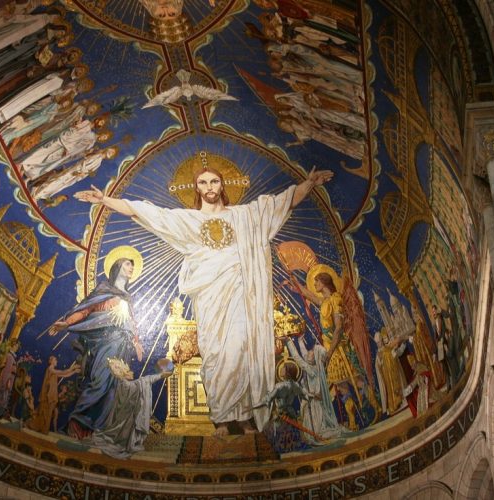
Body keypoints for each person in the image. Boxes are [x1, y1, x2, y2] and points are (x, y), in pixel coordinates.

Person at [73, 161, 332, 435]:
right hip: (210, 299)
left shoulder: (245, 215)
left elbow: (282, 203)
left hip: (240, 297)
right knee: (216, 354)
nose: (209, 187)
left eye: (214, 182)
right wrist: (105, 200)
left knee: (242, 350)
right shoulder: (189, 220)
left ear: (223, 185)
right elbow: (148, 213)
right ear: (197, 189)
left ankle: (243, 418)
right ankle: (222, 418)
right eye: (203, 183)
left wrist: (309, 183)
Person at [47, 248, 144, 439]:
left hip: (122, 347)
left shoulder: (128, 298)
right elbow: (86, 310)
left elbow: (131, 322)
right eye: (127, 264)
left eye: (133, 266)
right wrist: (67, 322)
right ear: (117, 266)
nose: (131, 267)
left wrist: (136, 342)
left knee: (113, 389)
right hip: (104, 342)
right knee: (99, 381)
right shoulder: (103, 290)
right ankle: (76, 424)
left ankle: (94, 431)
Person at [90, 357, 172, 458]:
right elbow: (139, 385)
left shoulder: (126, 383)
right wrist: (159, 376)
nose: (131, 372)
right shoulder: (124, 384)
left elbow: (141, 383)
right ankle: (129, 443)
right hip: (127, 419)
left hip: (129, 417)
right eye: (128, 371)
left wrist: (156, 377)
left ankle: (131, 442)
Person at [28, 356, 80, 433]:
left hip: (51, 396)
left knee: (48, 414)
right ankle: (41, 429)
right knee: (45, 413)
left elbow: (64, 375)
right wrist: (72, 368)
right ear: (51, 361)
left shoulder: (53, 371)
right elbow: (62, 372)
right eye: (55, 360)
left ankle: (44, 429)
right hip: (47, 396)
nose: (57, 361)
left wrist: (74, 372)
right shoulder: (50, 369)